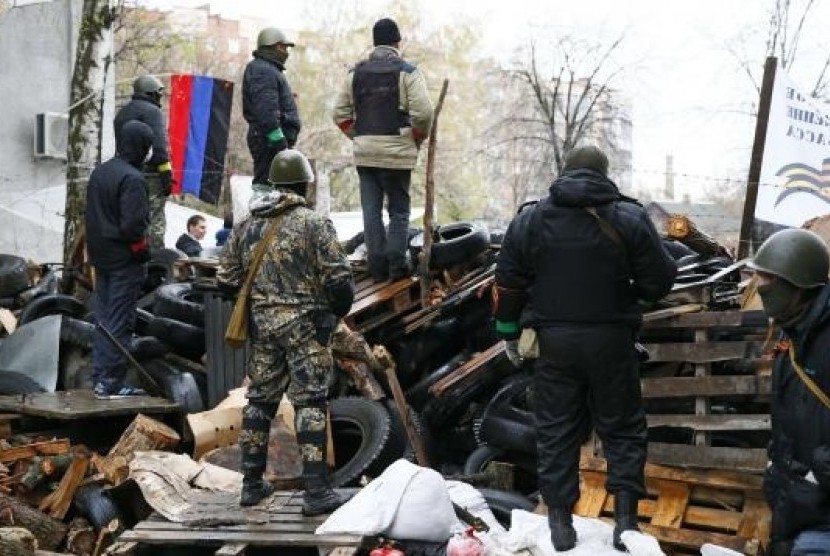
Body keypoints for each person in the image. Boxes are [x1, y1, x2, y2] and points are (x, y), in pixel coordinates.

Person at [493, 146, 676, 551]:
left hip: (555, 344)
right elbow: (660, 281)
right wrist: (633, 304)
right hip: (612, 342)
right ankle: (625, 523)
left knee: (556, 430)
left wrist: (508, 332)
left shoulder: (531, 219)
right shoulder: (629, 217)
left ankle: (560, 525)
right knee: (623, 429)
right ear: (604, 173)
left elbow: (507, 282)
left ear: (565, 172)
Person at [217, 149, 355, 513]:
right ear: (303, 185)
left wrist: (260, 301)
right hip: (305, 328)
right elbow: (340, 281)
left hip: (263, 330)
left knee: (259, 402)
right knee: (310, 402)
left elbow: (225, 279)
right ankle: (316, 492)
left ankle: (251, 485)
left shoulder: (247, 225)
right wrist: (333, 314)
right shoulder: (313, 223)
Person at [748, 228, 830, 556]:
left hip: (821, 517)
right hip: (798, 509)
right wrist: (779, 470)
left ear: (798, 286)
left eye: (768, 280)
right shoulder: (792, 333)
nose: (760, 287)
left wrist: (815, 473)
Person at [333, 17, 434, 282]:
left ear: (375, 43)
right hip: (397, 155)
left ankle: (377, 269)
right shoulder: (408, 72)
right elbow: (423, 113)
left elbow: (339, 114)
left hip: (366, 155)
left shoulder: (355, 73)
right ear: (397, 42)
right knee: (399, 211)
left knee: (371, 211)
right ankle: (397, 267)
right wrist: (416, 137)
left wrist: (359, 136)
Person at [85, 120, 154, 398]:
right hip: (124, 261)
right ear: (140, 146)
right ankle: (111, 383)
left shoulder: (100, 173)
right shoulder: (133, 179)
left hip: (100, 258)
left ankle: (101, 378)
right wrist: (143, 252)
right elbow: (132, 227)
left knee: (103, 319)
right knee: (120, 321)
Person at [114, 75, 173, 250]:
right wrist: (166, 174)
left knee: (132, 215)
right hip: (150, 175)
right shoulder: (152, 111)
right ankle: (154, 260)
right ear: (152, 93)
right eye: (158, 94)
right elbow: (160, 148)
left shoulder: (122, 113)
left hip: (125, 174)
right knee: (155, 218)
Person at [243, 27, 301, 187]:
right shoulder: (263, 70)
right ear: (270, 46)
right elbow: (266, 112)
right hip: (268, 141)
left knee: (274, 188)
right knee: (265, 188)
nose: (286, 52)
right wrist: (279, 143)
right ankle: (260, 212)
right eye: (282, 47)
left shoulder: (269, 69)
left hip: (271, 140)